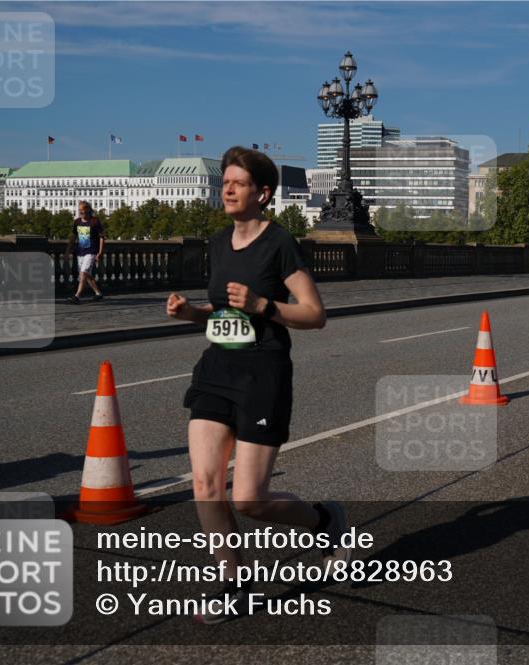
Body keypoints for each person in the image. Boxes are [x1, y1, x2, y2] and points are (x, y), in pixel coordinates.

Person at [165, 146, 347, 624]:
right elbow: (222, 311)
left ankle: (324, 521)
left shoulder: (280, 242)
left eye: (238, 183)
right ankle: (231, 580)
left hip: (263, 374)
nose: (227, 189)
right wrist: (192, 314)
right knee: (205, 483)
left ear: (262, 193)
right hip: (217, 369)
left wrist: (264, 305)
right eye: (225, 181)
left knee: (250, 498)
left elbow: (315, 314)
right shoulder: (219, 243)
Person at [64, 201, 105, 304]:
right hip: (80, 252)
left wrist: (100, 252)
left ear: (87, 209)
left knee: (83, 272)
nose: (80, 212)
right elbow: (73, 237)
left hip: (91, 251)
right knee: (87, 275)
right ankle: (98, 293)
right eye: (79, 210)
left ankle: (77, 296)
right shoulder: (77, 222)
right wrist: (67, 251)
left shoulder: (95, 221)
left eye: (82, 210)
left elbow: (102, 238)